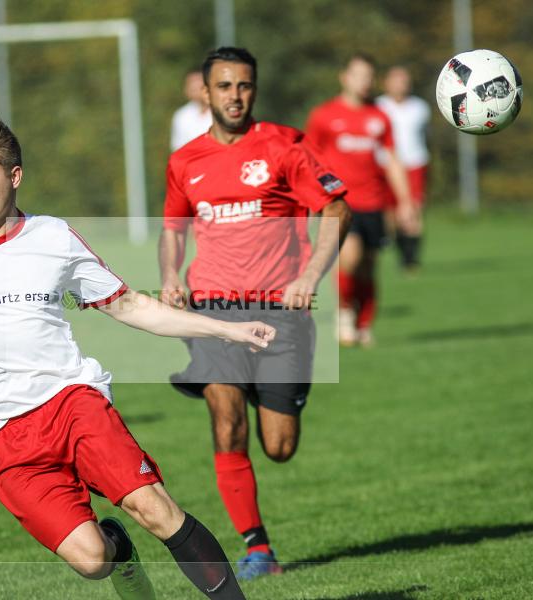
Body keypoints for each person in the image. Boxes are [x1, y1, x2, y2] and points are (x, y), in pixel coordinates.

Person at [0, 118, 265, 599]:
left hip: (71, 403)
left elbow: (128, 305)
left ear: (14, 177)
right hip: (0, 436)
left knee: (156, 509)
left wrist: (225, 329)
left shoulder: (53, 237)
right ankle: (119, 551)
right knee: (92, 559)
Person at [159, 47, 351, 580]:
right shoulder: (184, 161)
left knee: (279, 446)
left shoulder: (286, 146)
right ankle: (258, 549)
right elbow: (173, 229)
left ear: (255, 90)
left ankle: (267, 393)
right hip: (214, 310)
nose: (235, 96)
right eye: (224, 86)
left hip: (280, 312)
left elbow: (336, 207)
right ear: (205, 92)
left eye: (244, 86)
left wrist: (310, 276)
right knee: (226, 420)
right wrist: (172, 275)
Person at [305, 53, 419, 348]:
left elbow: (393, 160)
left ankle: (364, 324)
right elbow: (308, 160)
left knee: (369, 265)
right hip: (338, 204)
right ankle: (344, 312)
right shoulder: (324, 116)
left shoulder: (379, 117)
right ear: (344, 77)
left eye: (369, 76)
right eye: (358, 75)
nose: (364, 81)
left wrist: (405, 201)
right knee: (349, 258)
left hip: (374, 202)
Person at [376, 65, 431, 271]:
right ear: (387, 82)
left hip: (414, 164)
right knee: (390, 215)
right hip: (386, 165)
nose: (402, 84)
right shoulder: (378, 106)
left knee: (412, 212)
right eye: (397, 80)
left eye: (405, 80)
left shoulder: (420, 107)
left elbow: (426, 135)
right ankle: (397, 248)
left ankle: (411, 260)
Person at [170, 69, 213, 151]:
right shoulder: (181, 115)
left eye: (198, 82)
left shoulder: (222, 112)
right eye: (191, 84)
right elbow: (178, 148)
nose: (195, 87)